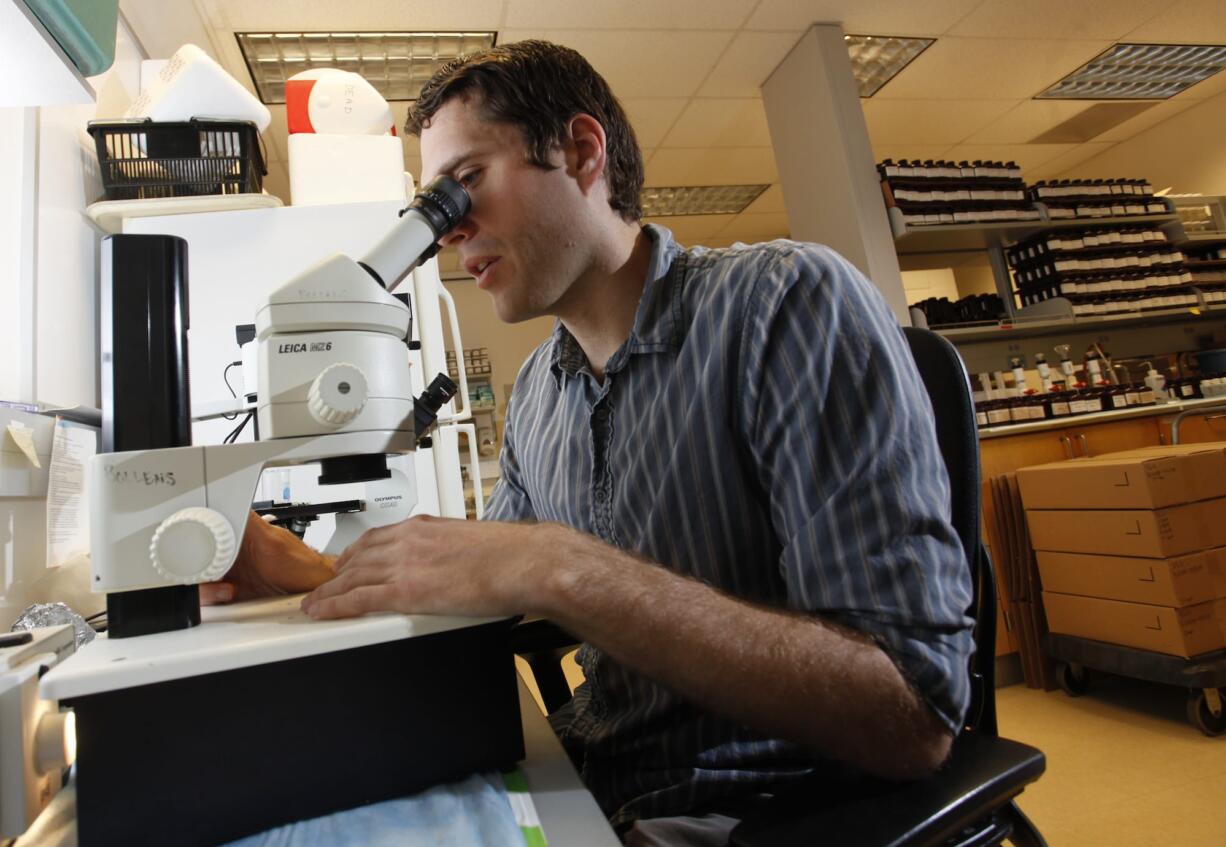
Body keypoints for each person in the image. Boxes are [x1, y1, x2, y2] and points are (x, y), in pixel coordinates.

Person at [209, 40, 974, 846]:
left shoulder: (781, 305)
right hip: (584, 780)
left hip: (758, 809)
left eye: (464, 183)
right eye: (434, 204)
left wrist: (560, 565)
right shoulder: (542, 388)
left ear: (580, 151)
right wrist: (298, 575)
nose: (448, 229)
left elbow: (912, 712)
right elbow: (479, 585)